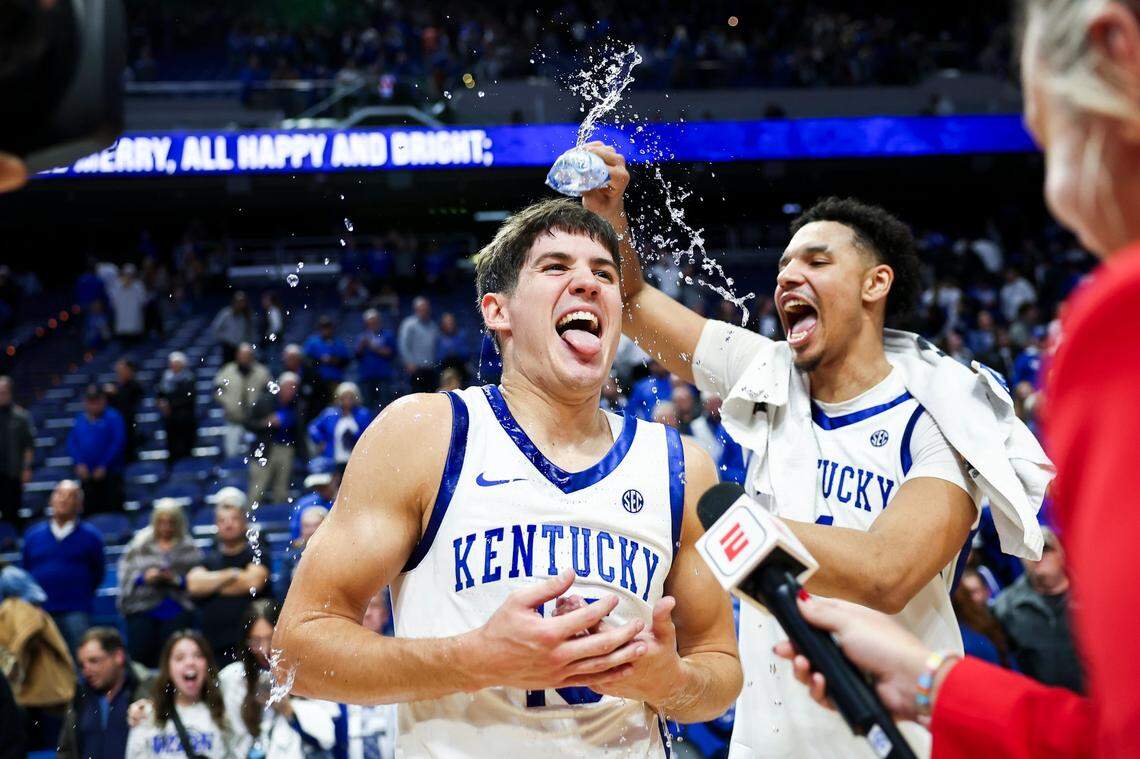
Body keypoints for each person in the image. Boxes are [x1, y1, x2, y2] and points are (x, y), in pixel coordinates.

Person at [582, 143, 1052, 758]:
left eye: (816, 260)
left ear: (874, 283)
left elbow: (888, 573)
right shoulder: (766, 369)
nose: (786, 277)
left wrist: (724, 520)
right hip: (766, 741)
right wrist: (606, 212)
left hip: (895, 740)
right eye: (782, 265)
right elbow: (636, 305)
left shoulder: (946, 412)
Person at [771, 2, 1140, 756]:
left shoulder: (1108, 326)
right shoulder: (767, 373)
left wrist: (726, 527)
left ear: (1117, 47)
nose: (1058, 197)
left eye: (1050, 139)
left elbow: (1120, 734)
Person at [274, 198, 741, 755]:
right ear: (498, 311)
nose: (587, 283)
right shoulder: (425, 433)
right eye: (555, 267)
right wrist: (475, 659)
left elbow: (719, 668)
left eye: (604, 273)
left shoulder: (681, 463)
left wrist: (671, 684)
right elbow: (297, 652)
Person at [218, 600, 337, 757]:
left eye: (270, 638)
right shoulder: (232, 677)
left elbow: (327, 737)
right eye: (256, 641)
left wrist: (288, 709)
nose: (264, 649)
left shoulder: (309, 672)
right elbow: (234, 740)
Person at [187, 489, 270, 665]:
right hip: (214, 645)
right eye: (222, 520)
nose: (228, 524)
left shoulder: (256, 551)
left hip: (251, 645)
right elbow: (194, 584)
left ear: (244, 522)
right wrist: (233, 574)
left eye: (234, 519)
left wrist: (213, 584)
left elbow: (253, 582)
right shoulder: (209, 557)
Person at [993, 527, 1082, 691]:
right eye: (1030, 552)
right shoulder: (1006, 607)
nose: (1038, 557)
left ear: (1061, 553)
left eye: (1045, 549)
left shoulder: (1089, 593)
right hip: (1044, 705)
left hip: (1099, 700)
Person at [125, 631, 239, 758]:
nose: (190, 662)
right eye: (180, 658)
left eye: (198, 656)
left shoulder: (224, 712)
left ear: (207, 664)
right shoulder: (145, 715)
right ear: (168, 668)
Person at [20, 481, 104, 652]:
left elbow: (98, 573)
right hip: (41, 612)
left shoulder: (91, 537)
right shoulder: (32, 536)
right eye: (59, 494)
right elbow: (25, 573)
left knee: (81, 662)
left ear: (79, 504)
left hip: (77, 610)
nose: (63, 500)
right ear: (51, 501)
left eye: (70, 496)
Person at [117, 501, 202, 668]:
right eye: (162, 522)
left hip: (177, 606)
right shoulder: (139, 545)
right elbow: (126, 575)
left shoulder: (189, 548)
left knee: (175, 649)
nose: (166, 527)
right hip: (142, 606)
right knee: (140, 648)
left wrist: (175, 580)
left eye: (171, 522)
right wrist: (143, 578)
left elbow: (197, 580)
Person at [58, 627, 154, 759]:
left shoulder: (147, 692)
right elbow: (66, 751)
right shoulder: (80, 697)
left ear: (118, 657)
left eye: (94, 661)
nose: (86, 671)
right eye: (82, 665)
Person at [332, 590, 397, 759]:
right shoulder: (333, 662)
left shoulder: (401, 657)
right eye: (363, 607)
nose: (367, 613)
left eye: (374, 606)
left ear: (385, 614)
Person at [246, 373, 303, 506]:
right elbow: (248, 423)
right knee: (257, 488)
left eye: (294, 387)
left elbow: (299, 431)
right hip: (265, 449)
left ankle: (280, 518)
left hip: (287, 449)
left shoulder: (297, 405)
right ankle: (247, 518)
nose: (291, 390)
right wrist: (266, 423)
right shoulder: (264, 401)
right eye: (288, 387)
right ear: (280, 387)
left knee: (282, 489)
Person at [67, 385, 126, 514]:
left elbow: (118, 443)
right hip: (86, 476)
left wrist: (103, 465)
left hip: (110, 474)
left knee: (111, 510)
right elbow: (72, 442)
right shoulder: (80, 419)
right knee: (89, 512)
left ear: (103, 400)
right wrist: (79, 463)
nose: (93, 405)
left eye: (96, 401)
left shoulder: (113, 417)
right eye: (90, 401)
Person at [214, 343, 271, 460]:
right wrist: (228, 403)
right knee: (232, 455)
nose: (244, 358)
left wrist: (260, 406)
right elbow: (217, 389)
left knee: (255, 457)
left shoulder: (261, 372)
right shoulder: (227, 370)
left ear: (252, 356)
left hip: (256, 422)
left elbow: (270, 393)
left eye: (247, 355)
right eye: (242, 355)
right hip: (233, 421)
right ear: (237, 356)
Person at [307, 382, 372, 468]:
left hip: (356, 459)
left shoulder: (363, 414)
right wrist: (320, 440)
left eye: (350, 397)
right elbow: (313, 427)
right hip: (333, 459)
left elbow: (369, 434)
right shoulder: (330, 414)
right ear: (339, 398)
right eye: (345, 397)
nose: (347, 400)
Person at [0, 376, 35, 523]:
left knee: (12, 513)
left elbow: (29, 445)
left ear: (10, 392)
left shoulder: (21, 416)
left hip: (13, 473)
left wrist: (26, 468)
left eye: (3, 392)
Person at [275, 504, 328, 599]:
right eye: (306, 526)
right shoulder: (290, 558)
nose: (311, 530)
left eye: (316, 525)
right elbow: (281, 591)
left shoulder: (337, 555)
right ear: (301, 530)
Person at [156, 351, 198, 464]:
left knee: (186, 449)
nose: (173, 366)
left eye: (176, 363)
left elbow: (188, 398)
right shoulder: (166, 378)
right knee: (172, 450)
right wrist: (160, 403)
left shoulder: (189, 378)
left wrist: (170, 405)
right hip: (171, 421)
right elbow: (160, 395)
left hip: (185, 420)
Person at [355, 308, 396, 411]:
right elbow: (357, 356)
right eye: (370, 323)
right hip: (367, 376)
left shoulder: (387, 335)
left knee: (385, 406)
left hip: (383, 376)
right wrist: (361, 346)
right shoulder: (362, 337)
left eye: (375, 322)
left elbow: (390, 352)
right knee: (367, 406)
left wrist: (372, 347)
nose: (372, 325)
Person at [396, 295, 439, 391]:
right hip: (415, 368)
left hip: (430, 369)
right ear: (416, 309)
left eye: (426, 308)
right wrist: (408, 362)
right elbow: (403, 344)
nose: (424, 310)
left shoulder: (433, 325)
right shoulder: (409, 324)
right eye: (422, 308)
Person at [106, 358, 144, 464]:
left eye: (122, 369)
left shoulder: (135, 386)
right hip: (114, 425)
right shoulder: (114, 385)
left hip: (128, 426)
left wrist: (116, 392)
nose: (119, 372)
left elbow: (130, 402)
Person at [303, 315, 352, 395]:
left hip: (335, 380)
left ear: (332, 328)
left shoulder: (339, 343)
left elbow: (346, 361)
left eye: (328, 327)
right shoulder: (312, 342)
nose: (326, 330)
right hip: (317, 381)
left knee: (335, 403)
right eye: (323, 327)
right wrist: (320, 360)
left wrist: (334, 360)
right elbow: (306, 360)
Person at [287, 467, 339, 542]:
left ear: (336, 477)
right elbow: (295, 540)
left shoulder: (346, 503)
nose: (320, 488)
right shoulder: (303, 504)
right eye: (316, 485)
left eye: (324, 485)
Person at [211, 291, 257, 365]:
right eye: (238, 301)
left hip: (242, 348)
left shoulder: (248, 316)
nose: (240, 304)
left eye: (242, 301)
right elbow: (215, 328)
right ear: (234, 301)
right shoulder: (225, 313)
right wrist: (226, 338)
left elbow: (251, 333)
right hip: (228, 347)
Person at [104, 264, 147, 344]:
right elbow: (112, 301)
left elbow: (143, 301)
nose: (128, 277)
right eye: (126, 274)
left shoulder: (139, 286)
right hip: (122, 327)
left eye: (130, 275)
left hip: (135, 326)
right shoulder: (116, 286)